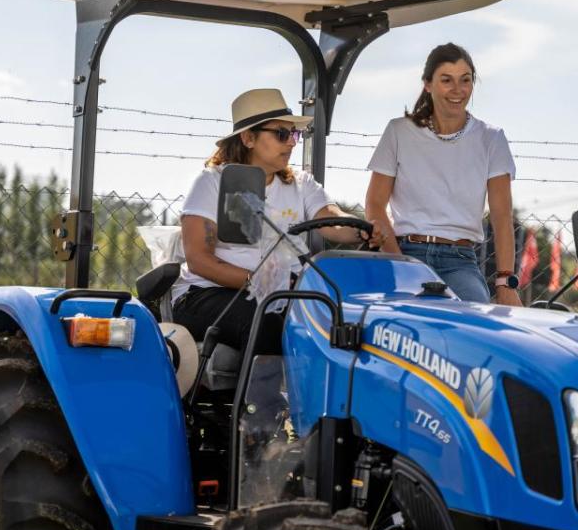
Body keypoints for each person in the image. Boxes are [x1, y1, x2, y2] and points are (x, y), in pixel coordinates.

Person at [175, 88, 380, 354]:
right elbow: (199, 259)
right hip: (208, 293)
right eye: (282, 134)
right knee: (268, 321)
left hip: (286, 293)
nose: (292, 143)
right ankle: (266, 397)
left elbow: (332, 218)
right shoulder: (212, 182)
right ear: (249, 138)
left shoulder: (301, 183)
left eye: (293, 134)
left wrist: (362, 230)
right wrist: (261, 282)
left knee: (350, 321)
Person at [365, 43, 521, 305]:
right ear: (428, 84)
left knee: (473, 318)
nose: (457, 90)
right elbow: (375, 205)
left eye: (465, 80)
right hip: (405, 252)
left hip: (459, 259)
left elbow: (501, 215)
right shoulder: (398, 131)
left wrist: (506, 282)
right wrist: (398, 262)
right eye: (446, 80)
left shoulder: (491, 138)